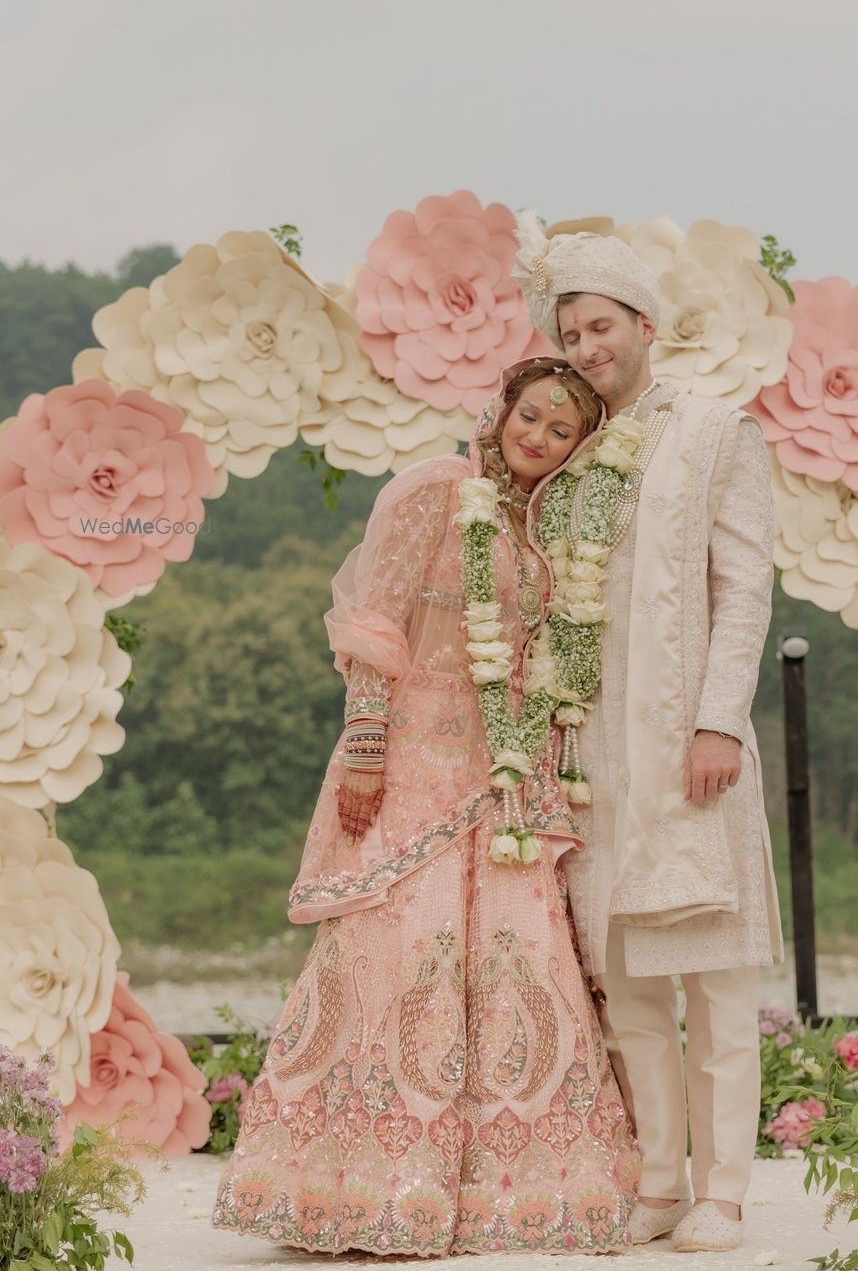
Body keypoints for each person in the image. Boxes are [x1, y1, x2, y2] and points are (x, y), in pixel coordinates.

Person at [212, 354, 641, 1258]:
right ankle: (360, 1190)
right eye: (530, 416)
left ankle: (515, 1195)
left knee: (518, 958)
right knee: (397, 950)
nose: (539, 437)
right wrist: (367, 742)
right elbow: (377, 617)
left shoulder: (540, 528)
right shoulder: (437, 489)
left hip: (503, 780)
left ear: (576, 449)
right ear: (501, 411)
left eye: (561, 430)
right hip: (414, 765)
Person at [515, 226, 784, 1254]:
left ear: (644, 325)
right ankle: (661, 1182)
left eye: (600, 327)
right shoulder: (567, 449)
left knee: (714, 978)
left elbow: (743, 588)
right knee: (624, 982)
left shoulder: (716, 431)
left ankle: (724, 1191)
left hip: (687, 748)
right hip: (593, 755)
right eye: (569, 334)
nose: (585, 348)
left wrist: (719, 720)